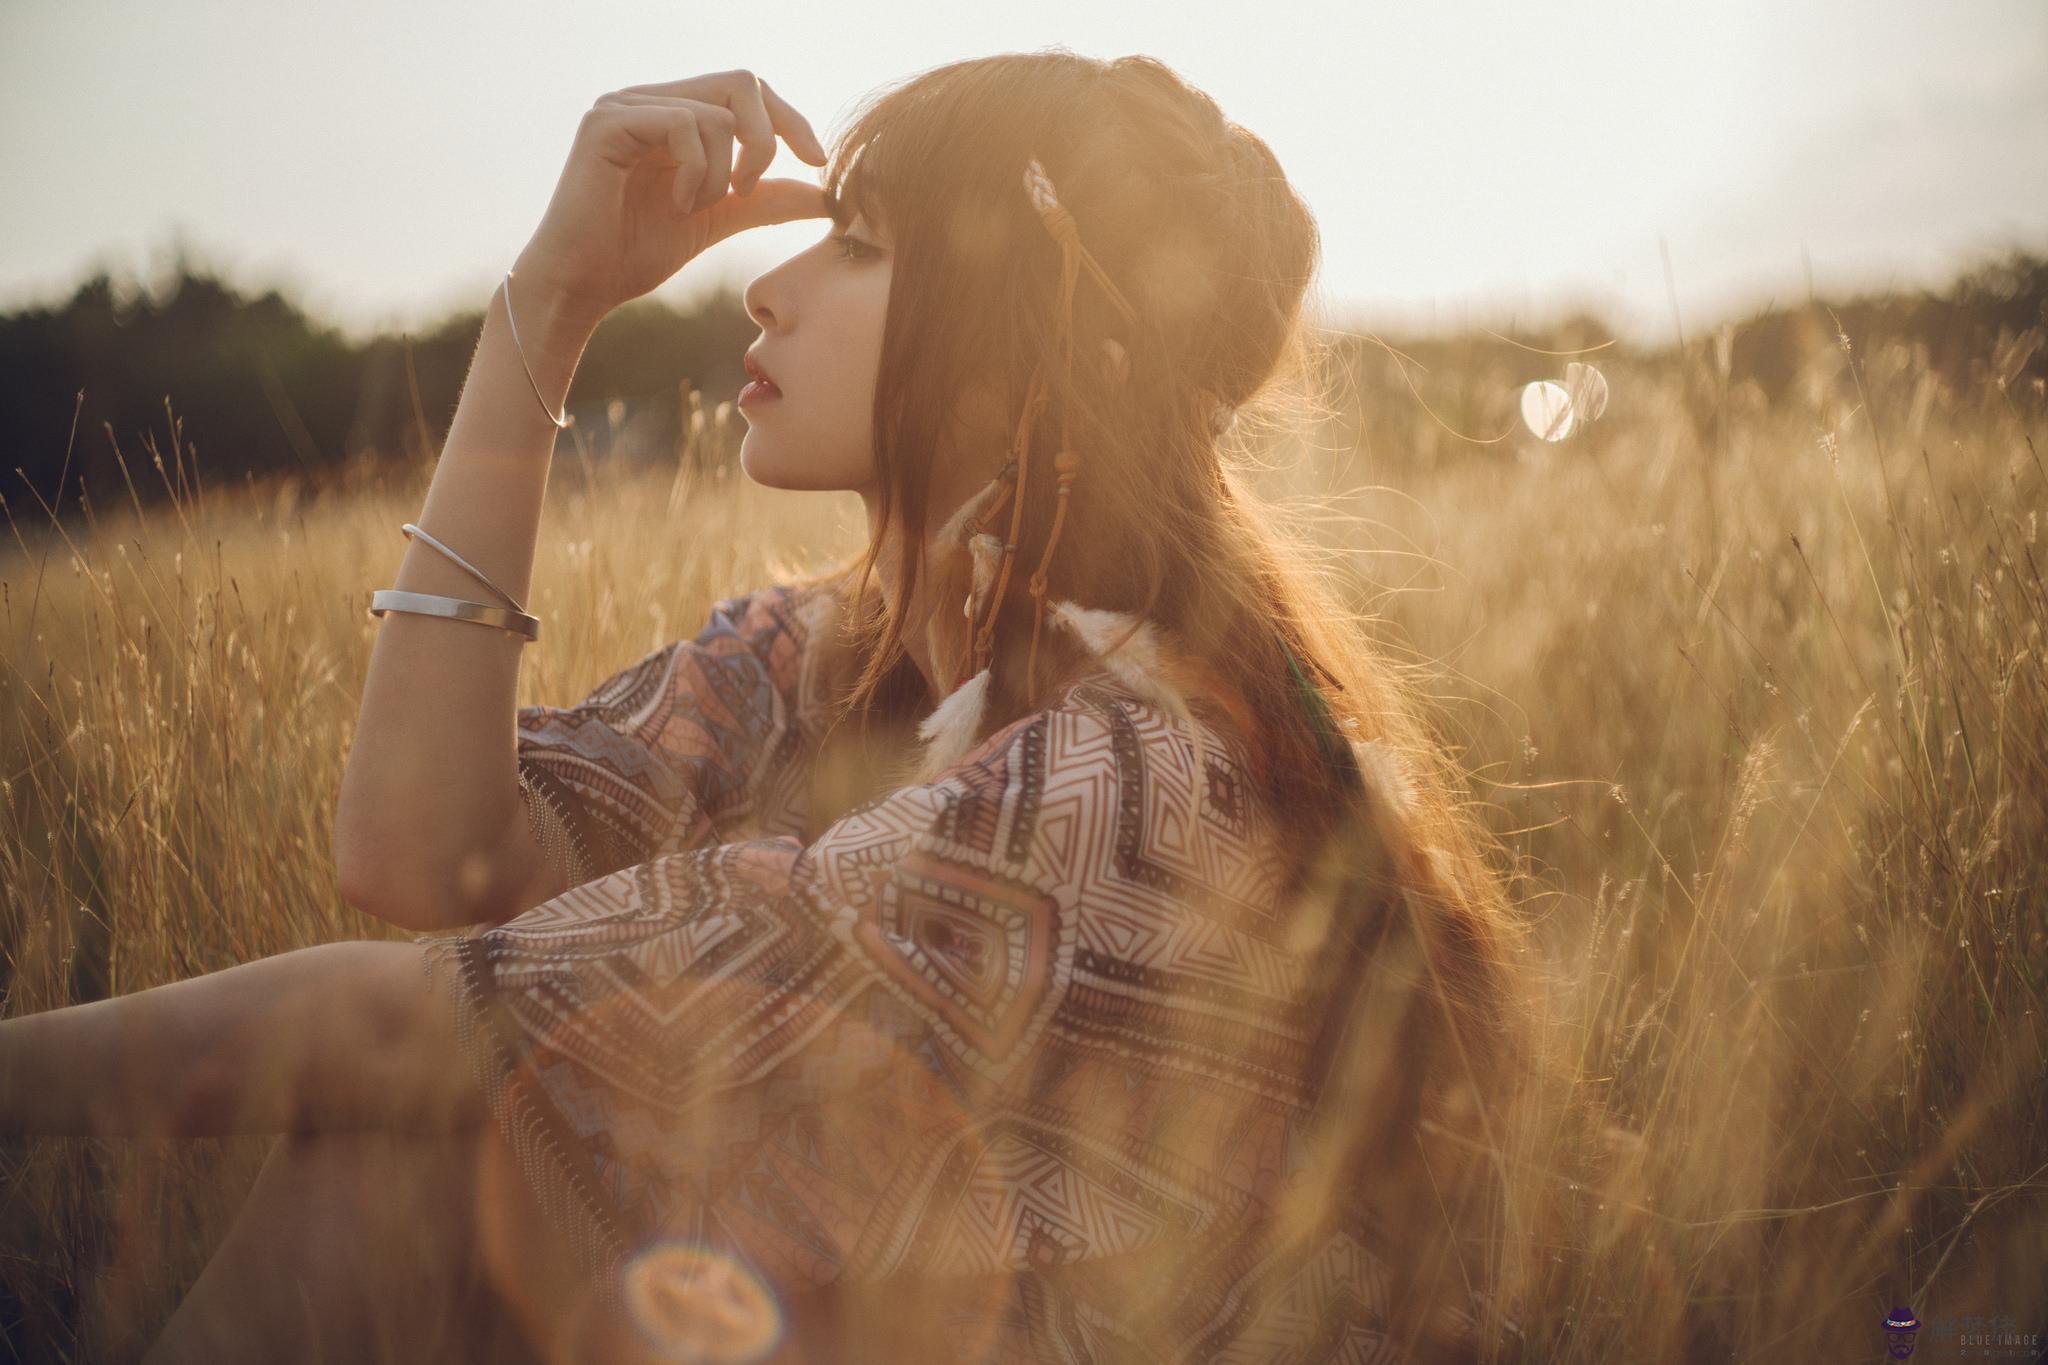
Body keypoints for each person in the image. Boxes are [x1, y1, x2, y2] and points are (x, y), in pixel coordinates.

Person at [0, 55, 1554, 1363]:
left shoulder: (1122, 777)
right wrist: (543, 310)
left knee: (424, 1152)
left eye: (864, 245)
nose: (770, 278)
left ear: (1026, 328)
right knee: (429, 1158)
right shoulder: (824, 655)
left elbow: (423, 1024)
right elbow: (427, 861)